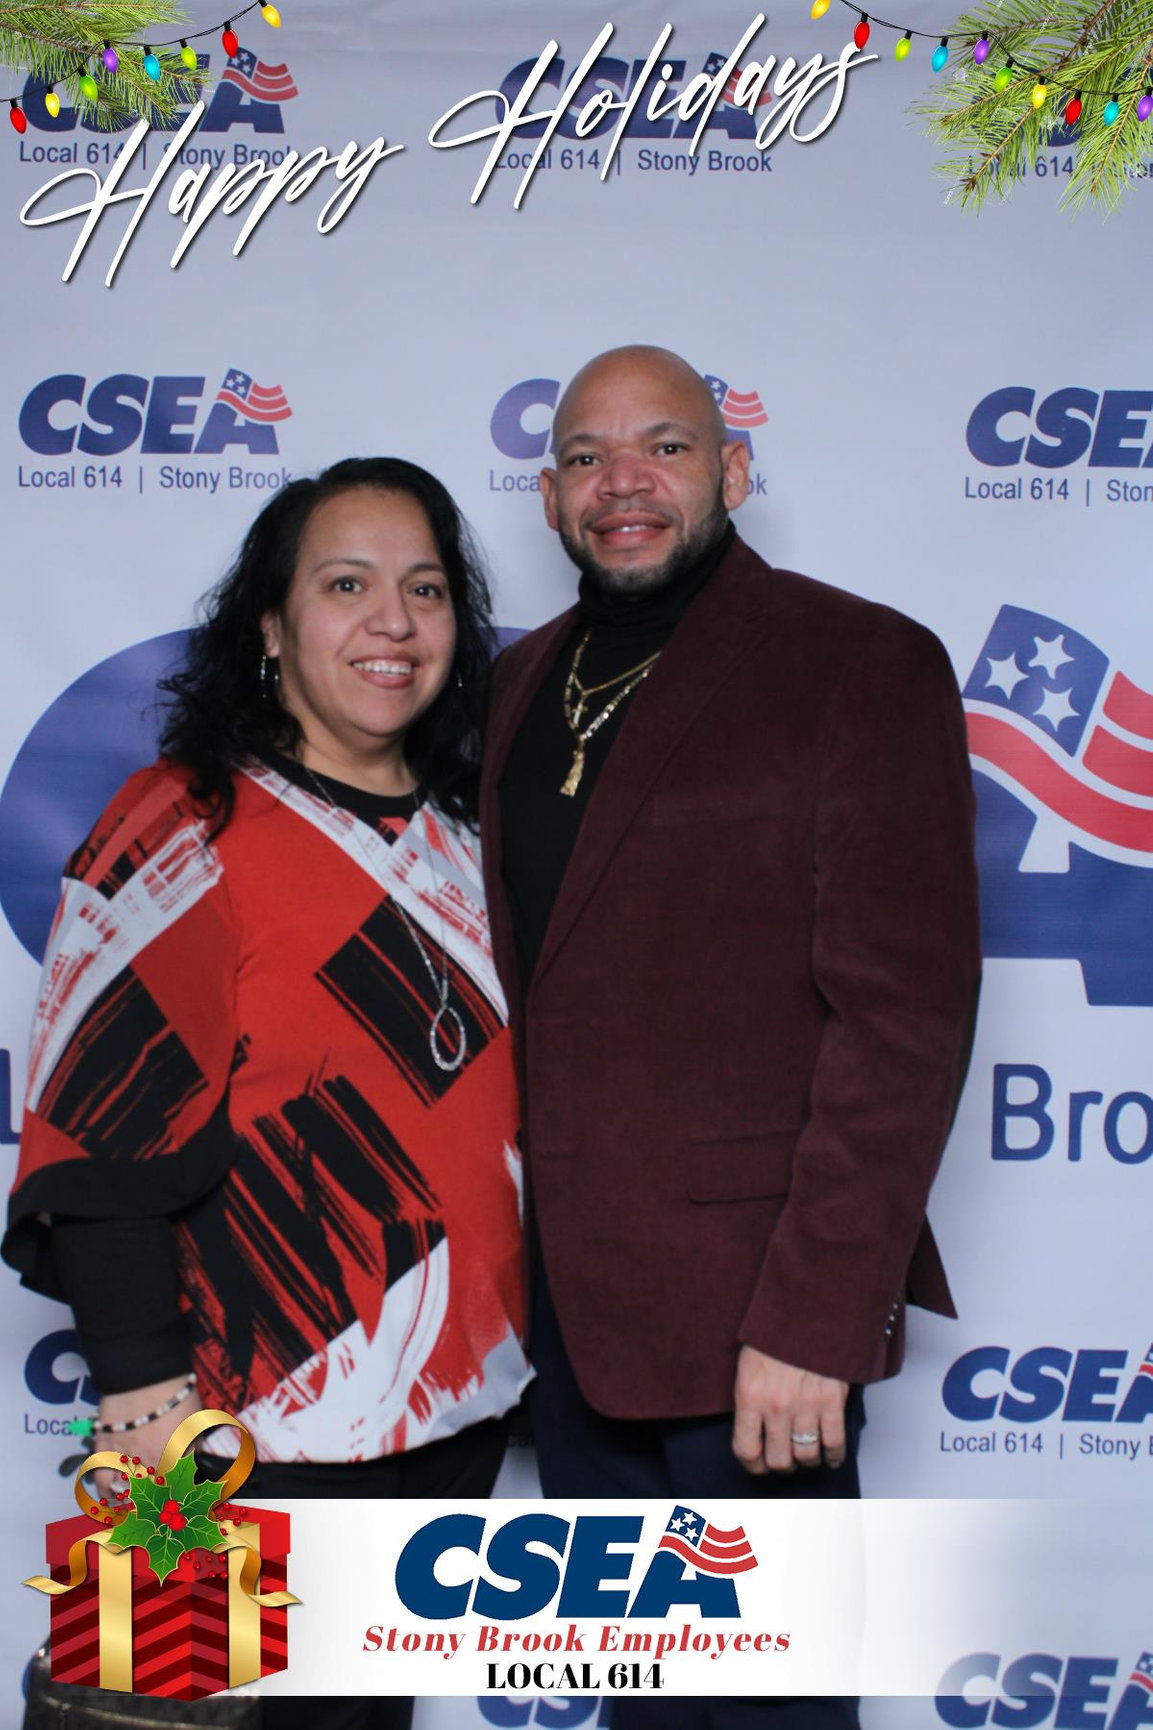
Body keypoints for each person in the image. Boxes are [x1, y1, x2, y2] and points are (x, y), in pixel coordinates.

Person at [480, 347, 981, 1730]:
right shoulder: (516, 681)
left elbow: (904, 1017)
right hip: (570, 1332)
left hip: (758, 1331)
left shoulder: (858, 661)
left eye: (665, 447)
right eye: (586, 456)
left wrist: (816, 1320)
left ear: (734, 471)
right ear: (548, 496)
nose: (623, 482)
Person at [5, 457, 529, 1730]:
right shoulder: (183, 818)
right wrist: (142, 1396)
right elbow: (99, 1121)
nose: (392, 620)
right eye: (346, 585)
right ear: (272, 628)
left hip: (446, 1413)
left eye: (424, 589)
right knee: (159, 1717)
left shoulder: (475, 835)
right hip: (222, 1426)